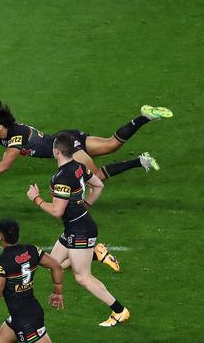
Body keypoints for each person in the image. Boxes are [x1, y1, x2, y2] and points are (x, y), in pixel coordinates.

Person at [26, 132, 131, 327]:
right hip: (77, 226)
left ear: (56, 151)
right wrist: (85, 205)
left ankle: (119, 311)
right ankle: (96, 254)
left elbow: (57, 211)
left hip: (79, 231)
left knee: (82, 277)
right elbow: (98, 185)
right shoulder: (79, 167)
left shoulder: (61, 178)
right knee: (52, 263)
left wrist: (36, 199)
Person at [0, 101, 172, 182]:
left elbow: (4, 166)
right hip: (67, 138)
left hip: (66, 146)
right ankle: (144, 116)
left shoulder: (15, 139)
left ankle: (140, 161)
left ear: (1, 127)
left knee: (95, 178)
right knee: (111, 145)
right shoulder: (1, 135)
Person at [0, 218, 64, 342]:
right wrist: (57, 291)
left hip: (27, 320)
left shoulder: (1, 262)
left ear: (1, 236)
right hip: (22, 314)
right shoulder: (32, 250)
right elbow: (56, 266)